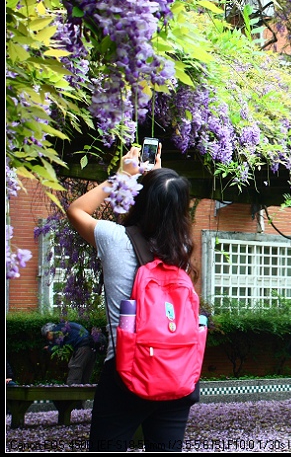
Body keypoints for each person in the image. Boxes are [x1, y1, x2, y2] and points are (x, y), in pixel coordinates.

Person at [67, 143, 200, 452]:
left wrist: (124, 176)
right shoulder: (181, 249)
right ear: (182, 209)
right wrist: (160, 180)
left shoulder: (115, 240)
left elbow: (76, 210)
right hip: (176, 376)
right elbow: (165, 205)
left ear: (141, 200)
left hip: (127, 376)